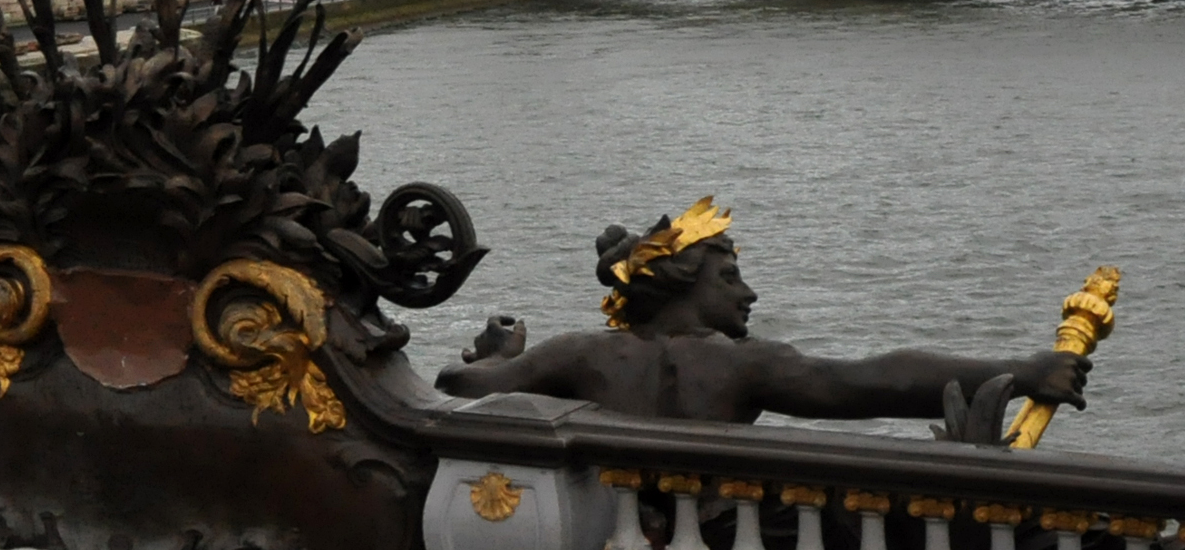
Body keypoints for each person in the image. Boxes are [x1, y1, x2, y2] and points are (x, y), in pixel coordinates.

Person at [435, 197, 1089, 425]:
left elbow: (460, 384)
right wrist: (1023, 373)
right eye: (730, 277)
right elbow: (873, 381)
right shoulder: (742, 365)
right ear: (686, 280)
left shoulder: (578, 353)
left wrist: (502, 356)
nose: (748, 294)